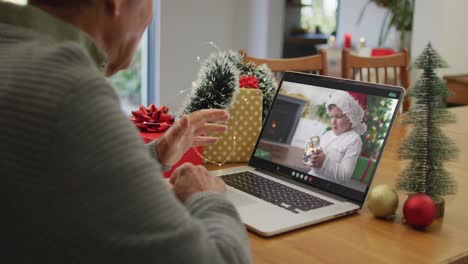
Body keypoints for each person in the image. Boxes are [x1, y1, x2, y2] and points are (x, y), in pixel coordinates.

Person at [0, 1, 251, 263]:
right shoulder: (69, 91)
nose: (150, 17)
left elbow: (66, 172)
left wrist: (157, 154)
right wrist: (205, 195)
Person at [307, 91, 367, 183]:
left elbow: (344, 177)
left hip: (327, 187)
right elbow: (315, 158)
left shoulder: (354, 140)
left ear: (351, 118)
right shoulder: (327, 134)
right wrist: (312, 158)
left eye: (338, 117)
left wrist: (324, 162)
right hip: (310, 178)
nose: (333, 121)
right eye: (331, 116)